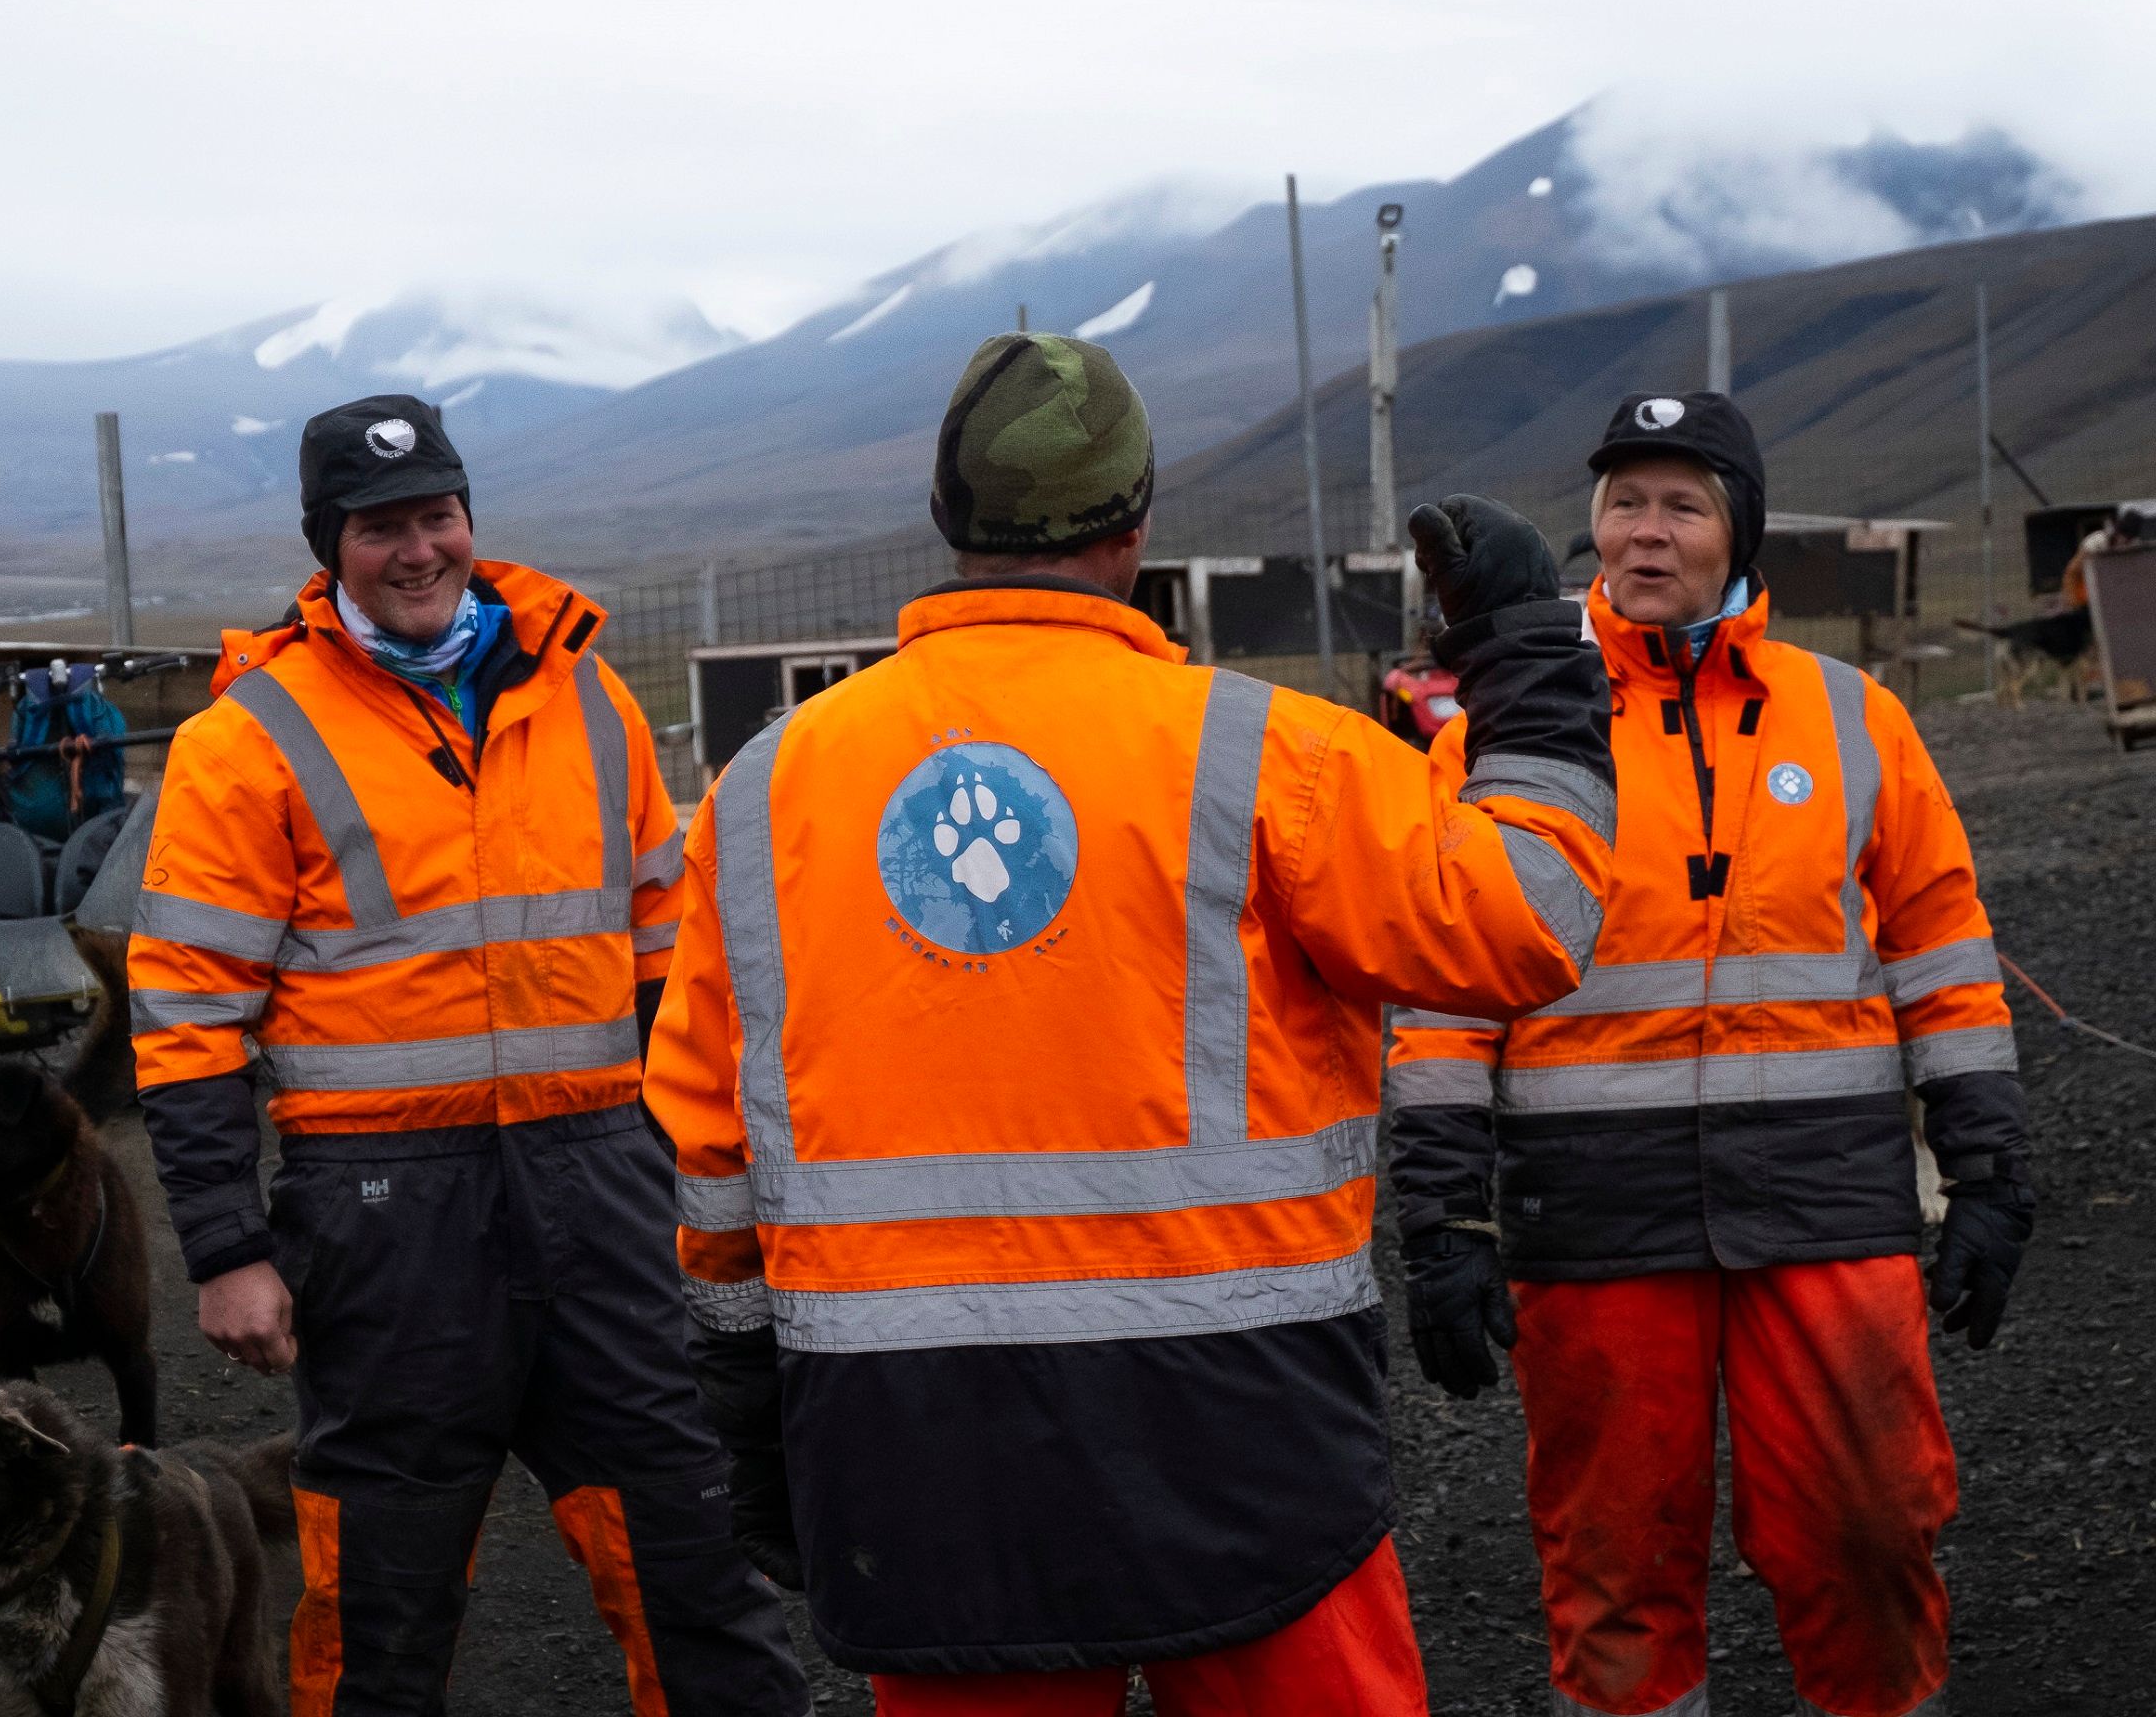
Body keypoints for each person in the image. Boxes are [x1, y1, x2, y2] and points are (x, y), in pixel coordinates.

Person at [644, 333, 1617, 1715]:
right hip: (1242, 1426)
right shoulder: (1268, 752)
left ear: (943, 523)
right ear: (1139, 520)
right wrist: (1528, 657)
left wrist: (746, 1388)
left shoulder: (761, 793)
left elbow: (707, 1138)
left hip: (907, 1437)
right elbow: (1525, 922)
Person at [127, 394, 807, 1717]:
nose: (416, 548)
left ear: (470, 522)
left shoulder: (588, 694)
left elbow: (670, 952)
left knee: (688, 1553)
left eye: (435, 516)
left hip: (604, 1196)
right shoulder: (246, 739)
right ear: (332, 547)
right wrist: (225, 1249)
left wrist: (696, 1162)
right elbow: (189, 1010)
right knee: (376, 1591)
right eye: (381, 527)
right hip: (384, 1219)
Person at [1383, 392, 2035, 1717]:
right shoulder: (1505, 740)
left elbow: (1940, 953)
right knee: (1614, 1569)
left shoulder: (1852, 720)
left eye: (1681, 503)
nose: (1643, 533)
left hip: (1825, 1212)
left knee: (1868, 1538)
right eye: (1622, 502)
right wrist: (1443, 1217)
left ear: (1740, 532)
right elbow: (1445, 987)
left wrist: (1987, 1170)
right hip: (1596, 1220)